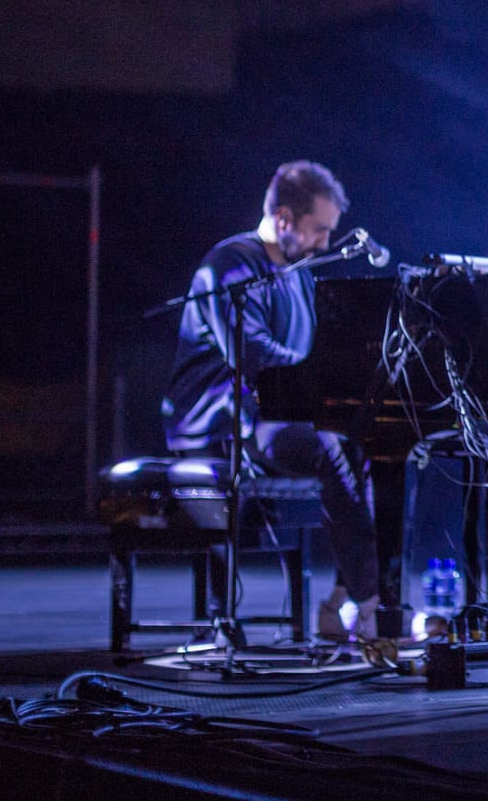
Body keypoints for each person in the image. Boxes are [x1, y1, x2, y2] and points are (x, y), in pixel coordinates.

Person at [162, 160, 379, 641]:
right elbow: (254, 355)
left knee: (367, 445)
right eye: (320, 229)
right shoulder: (231, 265)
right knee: (329, 447)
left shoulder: (299, 272)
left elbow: (308, 353)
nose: (327, 243)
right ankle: (373, 604)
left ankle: (344, 603)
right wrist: (326, 383)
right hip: (219, 420)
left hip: (270, 413)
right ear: (284, 218)